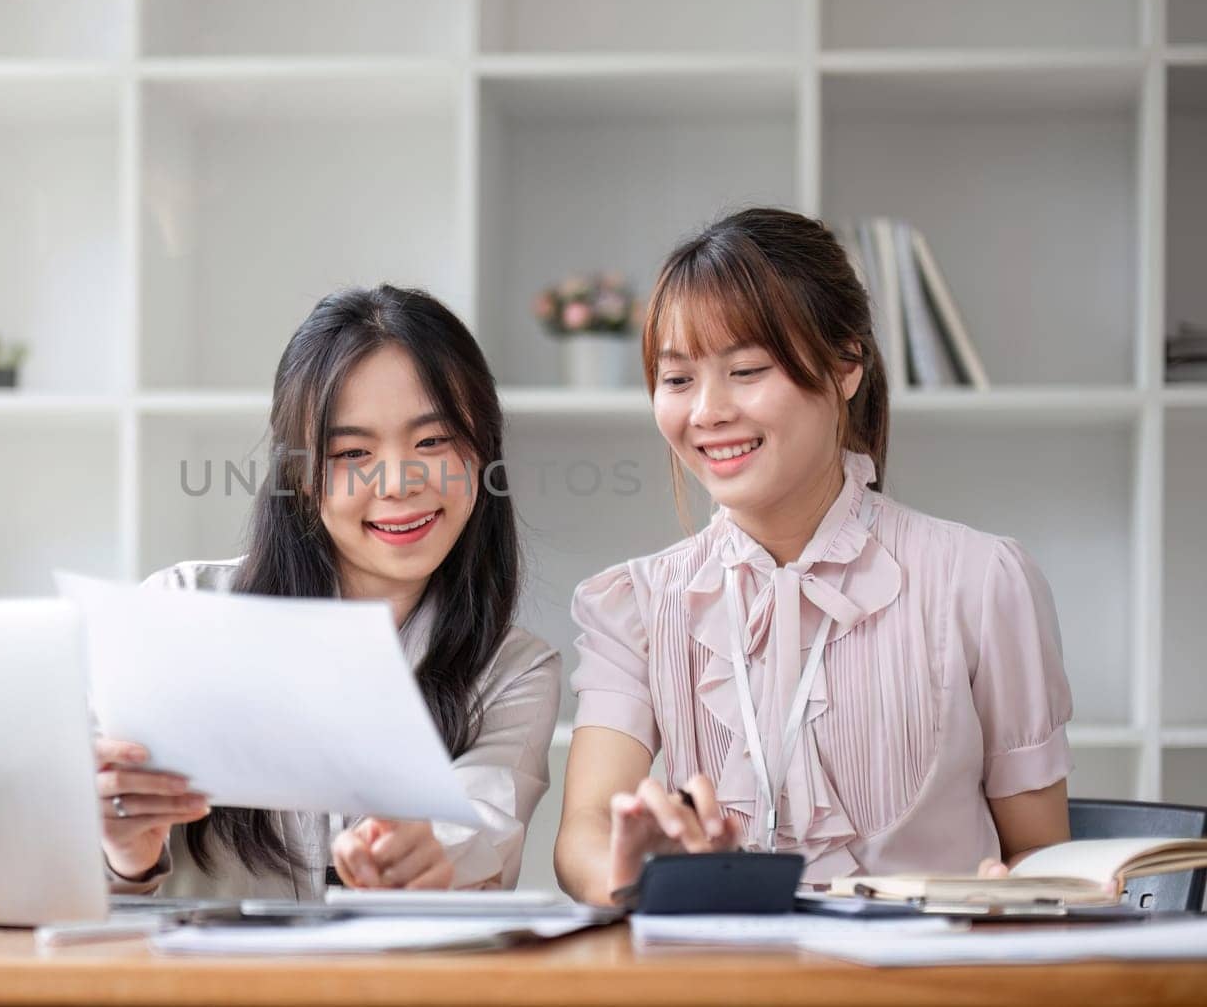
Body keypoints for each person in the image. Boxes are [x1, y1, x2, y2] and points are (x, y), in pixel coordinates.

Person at [553, 208, 1074, 905]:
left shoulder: (980, 582)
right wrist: (633, 867)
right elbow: (582, 831)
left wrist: (1010, 896)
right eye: (677, 380)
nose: (706, 411)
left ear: (846, 364)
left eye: (745, 369)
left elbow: (1043, 856)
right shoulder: (636, 603)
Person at [96, 285, 561, 898]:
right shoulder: (179, 611)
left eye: (432, 441)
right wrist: (123, 855)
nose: (397, 482)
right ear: (300, 474)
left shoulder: (514, 672)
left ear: (482, 453)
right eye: (352, 452)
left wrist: (420, 856)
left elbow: (479, 827)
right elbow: (66, 875)